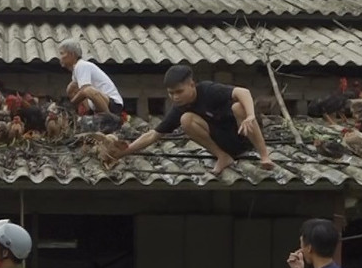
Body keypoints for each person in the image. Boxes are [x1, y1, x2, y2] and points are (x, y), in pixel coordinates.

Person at [119, 64, 274, 172]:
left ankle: (264, 156)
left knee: (238, 107)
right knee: (186, 120)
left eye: (179, 92)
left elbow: (243, 92)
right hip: (225, 143)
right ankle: (223, 157)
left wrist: (250, 115)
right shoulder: (180, 108)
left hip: (245, 134)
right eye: (171, 93)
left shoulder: (208, 90)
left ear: (192, 85)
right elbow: (153, 134)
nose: (175, 97)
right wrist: (124, 152)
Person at [58, 38, 124, 115]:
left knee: (87, 90)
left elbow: (86, 90)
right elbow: (73, 91)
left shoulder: (81, 65)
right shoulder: (76, 71)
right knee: (71, 88)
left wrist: (71, 103)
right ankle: (87, 114)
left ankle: (109, 118)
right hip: (98, 104)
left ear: (71, 54)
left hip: (113, 103)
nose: (60, 58)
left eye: (62, 53)